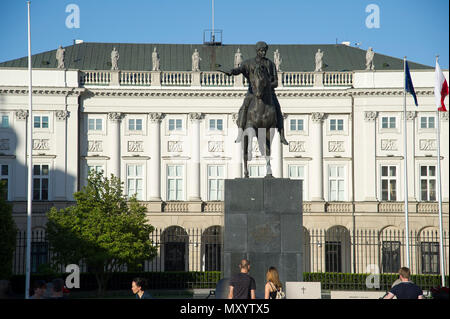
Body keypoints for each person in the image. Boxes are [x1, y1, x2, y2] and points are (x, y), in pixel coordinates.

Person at [222, 41, 288, 146]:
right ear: (257, 51)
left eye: (265, 51)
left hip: (269, 94)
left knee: (277, 109)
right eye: (261, 51)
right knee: (245, 106)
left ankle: (282, 135)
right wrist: (231, 71)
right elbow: (239, 69)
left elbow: (275, 82)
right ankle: (240, 131)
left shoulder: (270, 64)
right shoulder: (249, 63)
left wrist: (266, 87)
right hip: (252, 92)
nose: (263, 53)